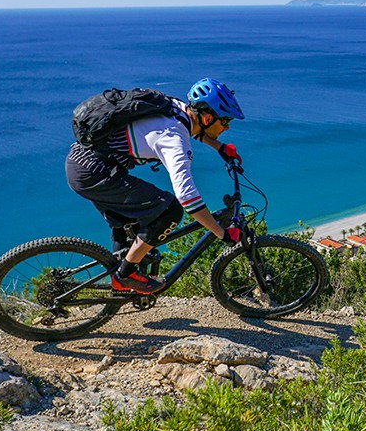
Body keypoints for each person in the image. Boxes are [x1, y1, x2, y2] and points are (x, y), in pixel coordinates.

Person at [65, 77, 245, 294]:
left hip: (85, 162)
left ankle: (121, 285)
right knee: (170, 211)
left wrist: (219, 147)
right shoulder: (174, 141)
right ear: (207, 118)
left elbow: (192, 127)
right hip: (94, 174)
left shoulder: (176, 106)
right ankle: (125, 276)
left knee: (131, 225)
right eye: (224, 121)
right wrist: (221, 233)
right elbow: (187, 197)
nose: (227, 127)